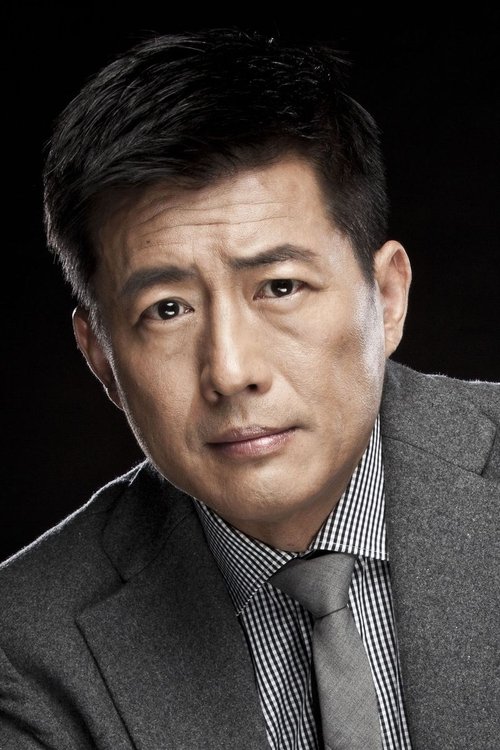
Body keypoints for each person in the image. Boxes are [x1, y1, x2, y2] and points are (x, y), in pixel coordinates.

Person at [0, 27, 498, 750]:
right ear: (101, 358)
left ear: (387, 298)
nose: (231, 371)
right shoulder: (25, 649)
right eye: (167, 309)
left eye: (280, 286)